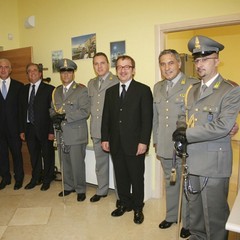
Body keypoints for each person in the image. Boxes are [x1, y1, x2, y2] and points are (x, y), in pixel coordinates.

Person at [172, 35, 240, 240]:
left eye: (205, 59)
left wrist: (187, 134)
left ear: (217, 60)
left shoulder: (230, 90)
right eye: (197, 60)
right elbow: (183, 116)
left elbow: (223, 126)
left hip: (213, 164)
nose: (200, 64)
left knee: (215, 215)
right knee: (196, 213)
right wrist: (180, 129)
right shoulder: (192, 90)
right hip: (192, 161)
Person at [101, 55, 153, 224]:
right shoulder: (110, 92)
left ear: (133, 70)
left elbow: (147, 119)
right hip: (116, 144)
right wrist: (104, 138)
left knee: (137, 178)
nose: (123, 70)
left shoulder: (143, 90)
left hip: (135, 144)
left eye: (127, 67)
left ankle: (138, 207)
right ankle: (124, 203)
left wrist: (144, 141)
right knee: (121, 177)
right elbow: (105, 118)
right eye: (120, 67)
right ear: (116, 71)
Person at [153, 49, 198, 238]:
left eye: (170, 63)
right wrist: (155, 140)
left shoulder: (192, 84)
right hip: (164, 144)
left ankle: (188, 222)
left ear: (179, 63)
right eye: (163, 64)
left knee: (186, 184)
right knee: (170, 182)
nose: (167, 67)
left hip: (186, 146)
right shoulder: (158, 87)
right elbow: (156, 117)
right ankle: (171, 216)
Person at [50, 58, 90, 202]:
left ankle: (80, 189)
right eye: (63, 72)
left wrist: (65, 116)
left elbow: (85, 111)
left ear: (73, 73)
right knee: (64, 162)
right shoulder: (56, 91)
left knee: (77, 163)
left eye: (69, 72)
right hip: (61, 134)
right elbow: (52, 108)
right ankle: (68, 186)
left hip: (76, 133)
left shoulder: (81, 89)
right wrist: (54, 116)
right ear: (60, 74)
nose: (66, 74)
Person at [87, 52, 119, 203]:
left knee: (118, 165)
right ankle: (102, 190)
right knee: (100, 163)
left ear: (108, 64)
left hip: (113, 131)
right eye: (96, 64)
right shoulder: (91, 83)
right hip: (96, 130)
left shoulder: (117, 80)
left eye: (102, 63)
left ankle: (121, 194)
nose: (99, 66)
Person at [20, 63, 55, 191]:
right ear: (27, 75)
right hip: (29, 128)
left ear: (40, 73)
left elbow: (53, 112)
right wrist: (22, 130)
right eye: (29, 71)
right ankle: (35, 178)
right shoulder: (23, 90)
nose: (32, 73)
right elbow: (21, 111)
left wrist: (52, 131)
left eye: (35, 70)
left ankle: (47, 179)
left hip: (45, 129)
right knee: (33, 155)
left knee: (48, 155)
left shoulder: (50, 89)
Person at [0, 58, 24, 190]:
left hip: (14, 129)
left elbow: (21, 110)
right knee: (2, 154)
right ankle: (5, 178)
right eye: (0, 67)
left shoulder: (19, 86)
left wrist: (22, 129)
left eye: (6, 67)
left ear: (10, 69)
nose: (3, 69)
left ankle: (19, 178)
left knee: (16, 154)